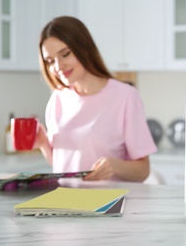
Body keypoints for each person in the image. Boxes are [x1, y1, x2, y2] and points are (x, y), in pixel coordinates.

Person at [34, 16, 157, 182]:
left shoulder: (125, 96)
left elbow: (143, 170)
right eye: (50, 61)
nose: (58, 67)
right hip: (64, 202)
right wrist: (43, 144)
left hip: (107, 204)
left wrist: (114, 166)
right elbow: (63, 166)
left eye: (65, 54)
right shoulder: (57, 98)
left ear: (84, 48)